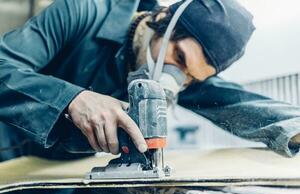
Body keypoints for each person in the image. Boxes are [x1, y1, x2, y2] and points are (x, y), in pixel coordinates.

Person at [1, 0, 300, 174]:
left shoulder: (180, 76)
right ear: (163, 18)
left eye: (191, 78)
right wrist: (74, 99)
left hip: (57, 176)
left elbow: (237, 102)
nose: (174, 78)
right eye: (179, 57)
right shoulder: (82, 12)